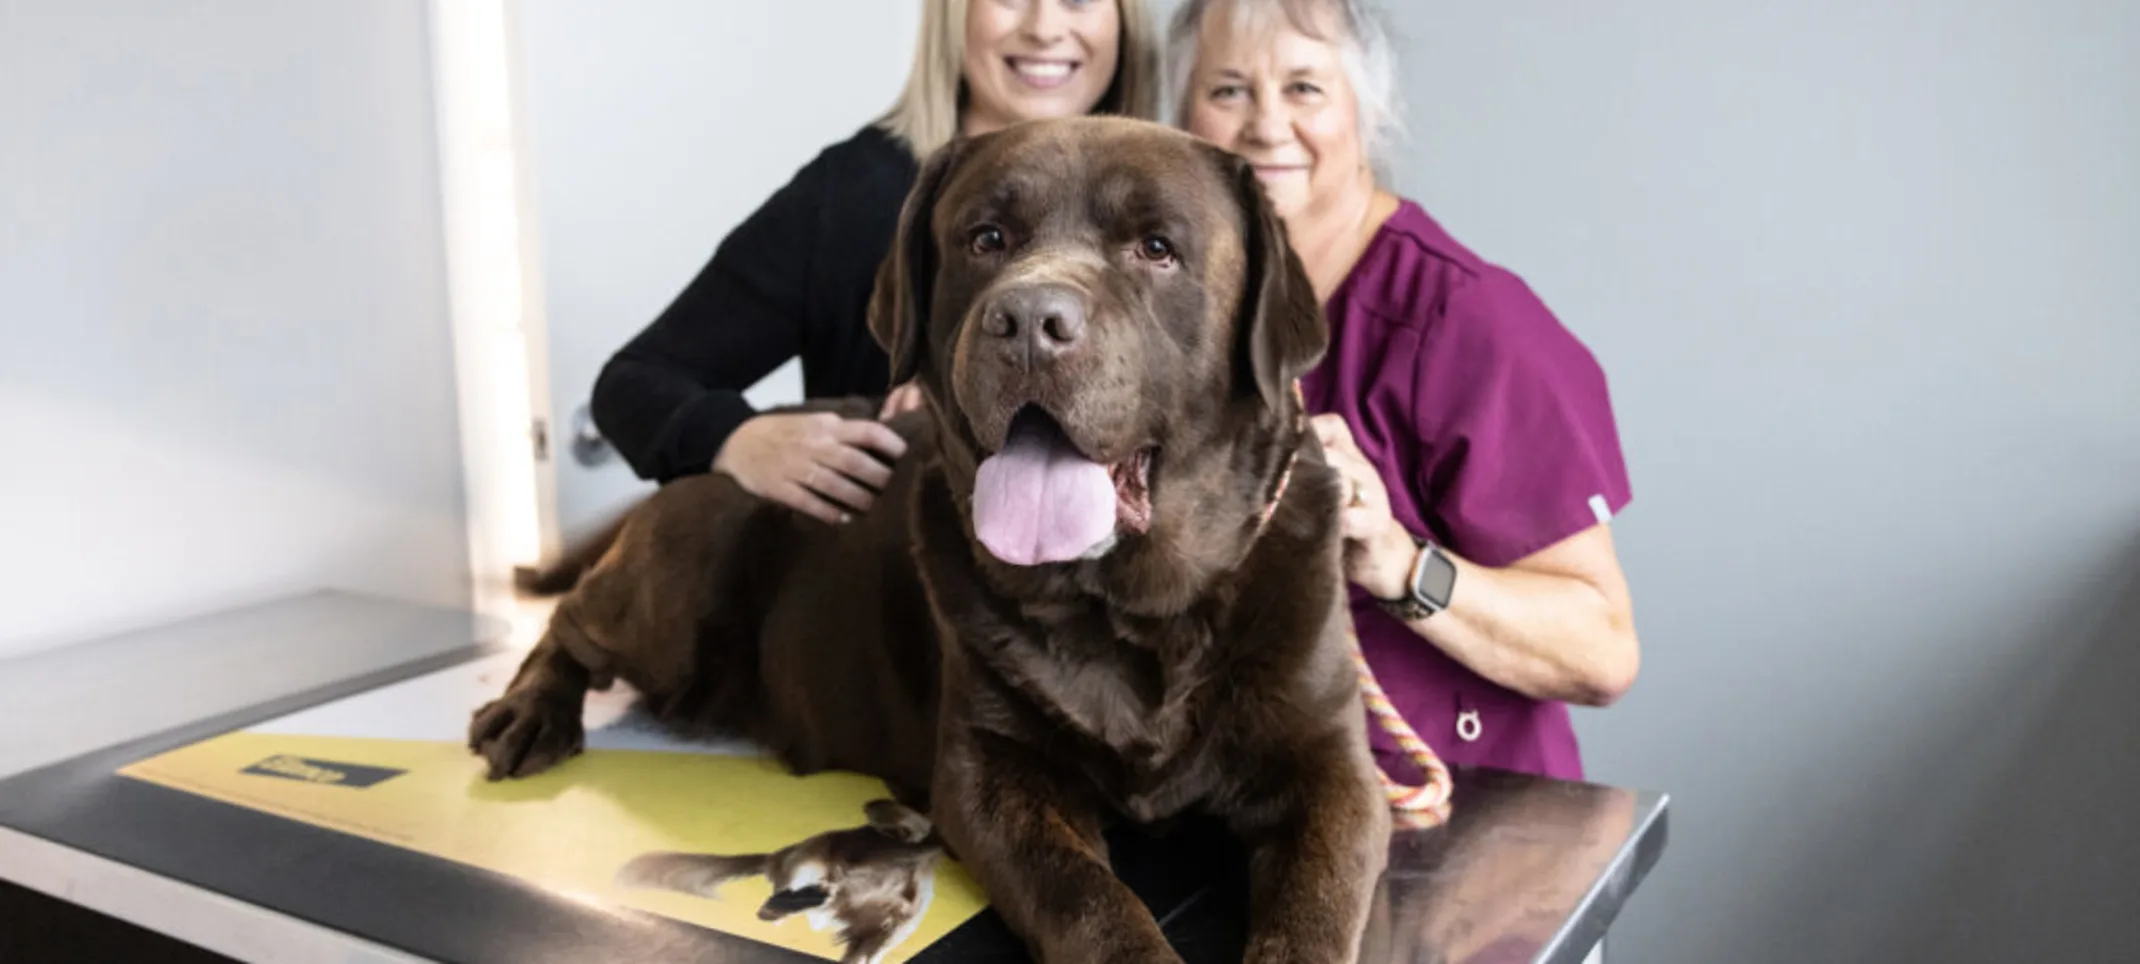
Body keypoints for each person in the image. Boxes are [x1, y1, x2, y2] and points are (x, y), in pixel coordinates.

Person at [1170, 0, 1642, 787]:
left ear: (1368, 110)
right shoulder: (1181, 313)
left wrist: (1396, 560)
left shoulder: (1468, 321)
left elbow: (1602, 651)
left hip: (1462, 821)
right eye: (1228, 90)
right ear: (1182, 119)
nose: (1266, 124)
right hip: (1255, 809)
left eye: (1304, 88)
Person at [591, 0, 1161, 525]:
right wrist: (737, 438)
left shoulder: (1180, 211)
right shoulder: (853, 197)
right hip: (885, 579)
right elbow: (634, 382)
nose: (1043, 27)